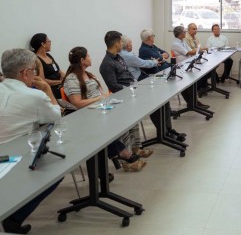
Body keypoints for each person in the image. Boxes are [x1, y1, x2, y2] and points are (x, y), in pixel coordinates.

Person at [0, 48, 61, 234]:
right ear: (26, 73)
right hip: (14, 158)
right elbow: (56, 116)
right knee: (56, 172)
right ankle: (14, 218)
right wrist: (47, 89)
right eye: (34, 71)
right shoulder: (34, 96)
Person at [62, 46, 146, 172]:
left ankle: (131, 149)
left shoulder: (88, 75)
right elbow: (77, 103)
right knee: (119, 122)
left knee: (129, 115)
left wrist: (104, 99)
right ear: (82, 60)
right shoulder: (71, 79)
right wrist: (100, 99)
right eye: (88, 56)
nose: (91, 58)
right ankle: (125, 155)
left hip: (101, 107)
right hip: (88, 114)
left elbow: (99, 94)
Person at [98, 31, 153, 157]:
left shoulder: (119, 57)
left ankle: (136, 148)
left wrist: (135, 85)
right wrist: (131, 89)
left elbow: (128, 74)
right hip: (121, 97)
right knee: (126, 128)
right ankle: (128, 156)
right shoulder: (107, 64)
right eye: (121, 41)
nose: (122, 43)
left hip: (130, 93)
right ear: (117, 43)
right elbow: (114, 86)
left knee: (134, 123)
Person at [170, 26, 210, 109]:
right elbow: (189, 52)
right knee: (188, 85)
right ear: (180, 35)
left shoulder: (183, 41)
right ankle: (192, 103)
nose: (185, 33)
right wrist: (200, 50)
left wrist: (198, 50)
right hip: (181, 67)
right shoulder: (175, 43)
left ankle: (194, 102)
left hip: (188, 64)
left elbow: (192, 50)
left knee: (195, 81)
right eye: (184, 32)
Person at [30, 33, 65, 99]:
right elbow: (42, 81)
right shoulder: (36, 59)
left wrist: (66, 78)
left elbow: (58, 70)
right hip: (50, 90)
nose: (50, 42)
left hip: (60, 86)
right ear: (43, 44)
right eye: (49, 41)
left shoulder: (49, 56)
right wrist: (60, 82)